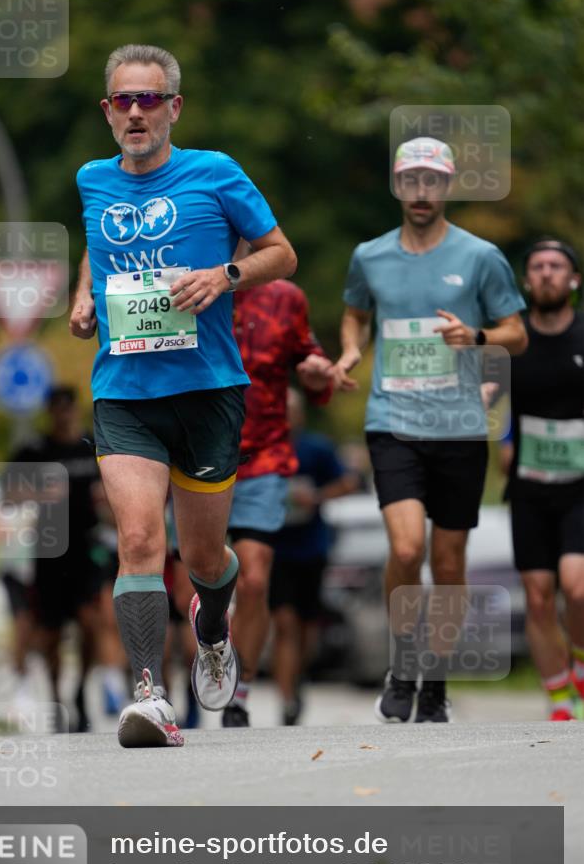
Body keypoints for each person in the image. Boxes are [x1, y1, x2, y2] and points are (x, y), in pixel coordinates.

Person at [69, 43, 297, 747]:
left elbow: (281, 253)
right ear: (108, 111)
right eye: (123, 101)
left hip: (207, 390)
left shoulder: (215, 172)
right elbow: (96, 246)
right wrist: (83, 296)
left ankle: (212, 628)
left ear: (174, 107)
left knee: (202, 559)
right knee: (140, 540)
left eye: (149, 99)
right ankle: (148, 697)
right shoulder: (91, 179)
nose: (135, 113)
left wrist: (225, 275)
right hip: (124, 390)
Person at [331, 136, 527, 723]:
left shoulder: (481, 256)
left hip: (460, 426)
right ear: (398, 186)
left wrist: (478, 337)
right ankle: (402, 663)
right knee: (406, 547)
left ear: (447, 186)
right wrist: (350, 351)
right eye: (411, 181)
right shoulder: (370, 255)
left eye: (432, 181)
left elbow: (517, 333)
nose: (421, 192)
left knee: (447, 563)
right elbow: (355, 314)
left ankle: (435, 681)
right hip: (392, 420)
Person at [170, 277, 336, 729]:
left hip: (262, 459)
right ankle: (212, 646)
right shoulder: (179, 282)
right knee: (189, 590)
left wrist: (319, 375)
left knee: (256, 579)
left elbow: (314, 370)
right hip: (194, 454)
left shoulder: (284, 297)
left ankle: (237, 694)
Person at [503, 238, 584, 720]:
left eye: (557, 266)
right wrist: (503, 439)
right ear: (527, 281)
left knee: (577, 588)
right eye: (538, 266)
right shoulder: (514, 339)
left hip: (580, 487)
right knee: (537, 596)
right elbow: (494, 399)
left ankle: (580, 665)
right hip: (530, 486)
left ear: (573, 280)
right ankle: (559, 699)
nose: (547, 272)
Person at [9, 386, 104, 732]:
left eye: (69, 408)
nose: (64, 415)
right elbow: (7, 495)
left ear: (76, 410)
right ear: (49, 412)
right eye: (57, 409)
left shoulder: (92, 445)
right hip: (49, 550)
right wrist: (39, 493)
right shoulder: (34, 450)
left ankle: (81, 690)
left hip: (87, 547)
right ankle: (55, 698)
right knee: (50, 633)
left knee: (91, 625)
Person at [269, 388, 358, 724]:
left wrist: (317, 496)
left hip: (312, 548)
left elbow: (348, 482)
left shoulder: (317, 448)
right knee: (284, 624)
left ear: (301, 415)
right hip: (275, 549)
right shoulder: (264, 449)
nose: (287, 417)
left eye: (292, 411)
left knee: (306, 627)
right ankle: (285, 699)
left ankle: (298, 679)